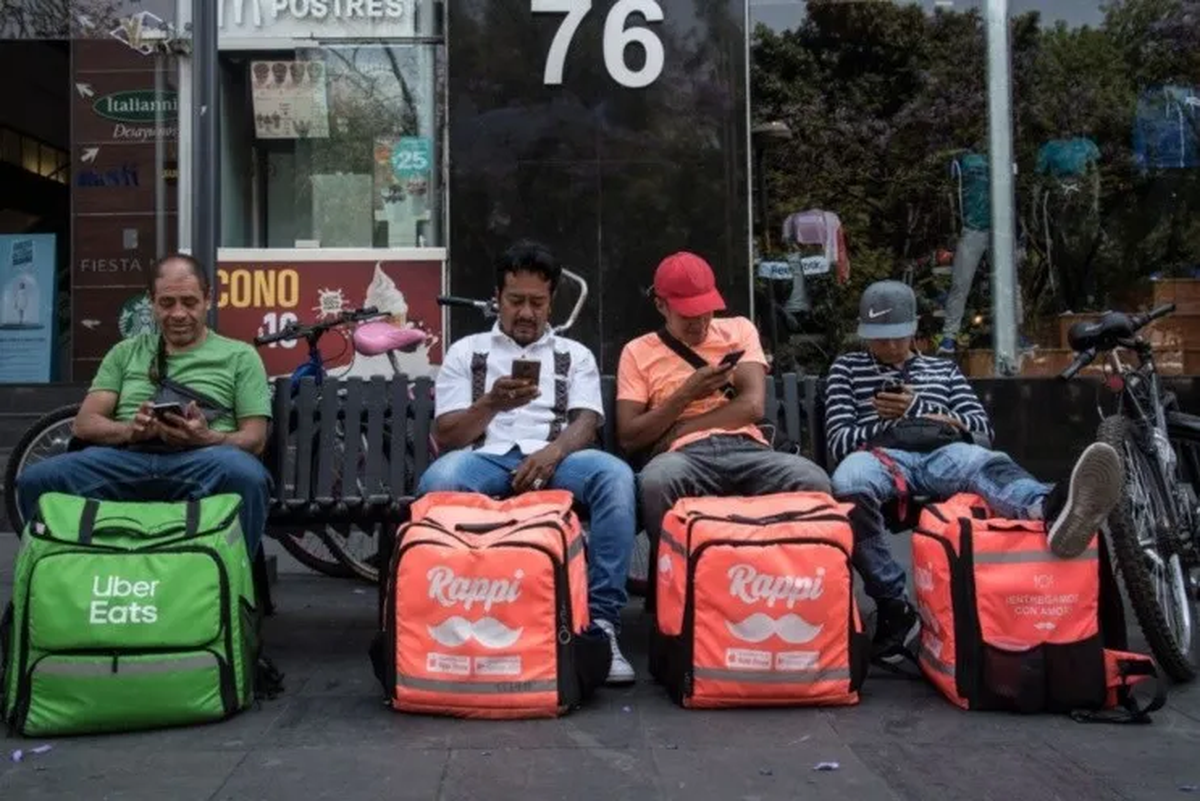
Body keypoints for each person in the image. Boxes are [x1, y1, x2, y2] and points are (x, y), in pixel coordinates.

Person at [825, 280, 1124, 662]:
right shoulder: (846, 369)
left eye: (897, 337)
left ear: (914, 328)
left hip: (942, 451)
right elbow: (839, 440)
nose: (889, 346)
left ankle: (1050, 507)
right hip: (879, 455)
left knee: (983, 462)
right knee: (848, 481)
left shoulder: (943, 370)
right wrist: (890, 426)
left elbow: (981, 431)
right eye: (880, 339)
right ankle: (891, 600)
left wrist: (918, 410)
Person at [415, 240, 638, 686]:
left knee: (615, 476)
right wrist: (490, 404)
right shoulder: (468, 351)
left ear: (551, 302)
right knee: (438, 481)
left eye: (538, 303)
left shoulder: (574, 355)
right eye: (516, 301)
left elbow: (587, 421)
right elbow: (447, 434)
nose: (526, 313)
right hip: (486, 458)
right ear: (497, 298)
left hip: (555, 458)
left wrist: (553, 452)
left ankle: (602, 624)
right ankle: (451, 618)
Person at [16, 254, 274, 554]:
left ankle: (234, 583)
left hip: (204, 462)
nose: (178, 314)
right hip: (125, 462)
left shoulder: (240, 357)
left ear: (208, 300)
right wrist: (131, 431)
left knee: (248, 476)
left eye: (189, 302)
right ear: (151, 302)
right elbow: (85, 423)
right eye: (167, 303)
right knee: (36, 479)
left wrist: (206, 437)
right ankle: (58, 577)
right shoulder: (125, 353)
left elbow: (255, 439)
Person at [616, 252, 831, 563]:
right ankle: (672, 580)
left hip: (747, 446)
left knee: (813, 480)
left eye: (706, 311)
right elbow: (630, 436)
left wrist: (682, 428)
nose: (700, 323)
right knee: (656, 482)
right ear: (661, 305)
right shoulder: (637, 352)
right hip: (683, 456)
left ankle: (798, 581)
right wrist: (686, 393)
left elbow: (752, 406)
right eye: (688, 315)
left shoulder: (739, 330)